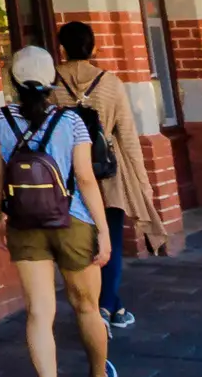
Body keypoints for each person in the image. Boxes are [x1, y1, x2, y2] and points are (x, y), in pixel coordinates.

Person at [0, 43, 117, 377]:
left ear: (12, 79)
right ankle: (98, 376)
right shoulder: (71, 121)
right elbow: (88, 180)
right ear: (51, 80)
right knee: (87, 306)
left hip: (25, 224)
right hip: (73, 222)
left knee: (39, 312)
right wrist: (103, 231)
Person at [50, 20, 175, 330]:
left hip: (68, 175)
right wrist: (143, 183)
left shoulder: (51, 83)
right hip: (109, 175)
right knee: (112, 242)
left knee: (80, 242)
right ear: (93, 47)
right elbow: (128, 137)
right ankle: (106, 309)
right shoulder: (111, 83)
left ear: (62, 47)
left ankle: (110, 306)